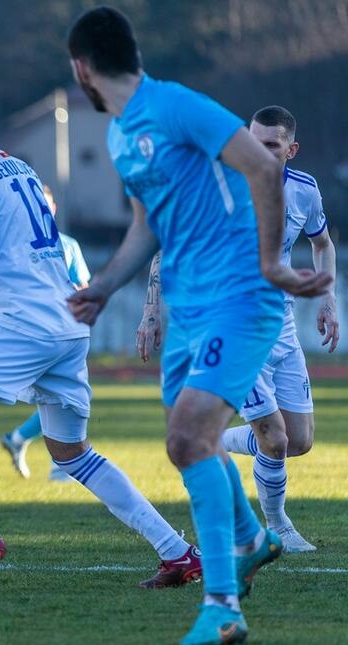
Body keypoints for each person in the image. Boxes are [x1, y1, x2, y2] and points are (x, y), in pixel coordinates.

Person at [65, 7, 332, 645]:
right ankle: (250, 538)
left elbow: (264, 168)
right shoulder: (122, 137)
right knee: (188, 445)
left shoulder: (179, 105)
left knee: (189, 435)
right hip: (187, 305)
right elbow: (146, 227)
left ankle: (223, 606)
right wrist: (103, 286)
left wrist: (271, 262)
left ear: (82, 69)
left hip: (240, 294)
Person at [0, 84, 200, 588]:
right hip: (66, 325)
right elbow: (15, 244)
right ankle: (177, 552)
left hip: (22, 325)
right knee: (74, 455)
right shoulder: (17, 166)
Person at [137, 106, 337, 553]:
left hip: (280, 327)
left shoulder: (304, 191)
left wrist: (329, 300)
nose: (257, 151)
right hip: (230, 327)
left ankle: (201, 440)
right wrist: (152, 309)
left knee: (298, 441)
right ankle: (278, 525)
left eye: (270, 144)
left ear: (291, 149)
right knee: (276, 436)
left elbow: (322, 243)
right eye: (252, 140)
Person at [0, 185, 90, 481]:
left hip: (66, 331)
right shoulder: (17, 245)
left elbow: (83, 287)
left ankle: (22, 441)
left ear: (53, 209)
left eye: (46, 205)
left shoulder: (68, 244)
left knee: (59, 396)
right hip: (35, 332)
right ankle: (59, 465)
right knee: (59, 396)